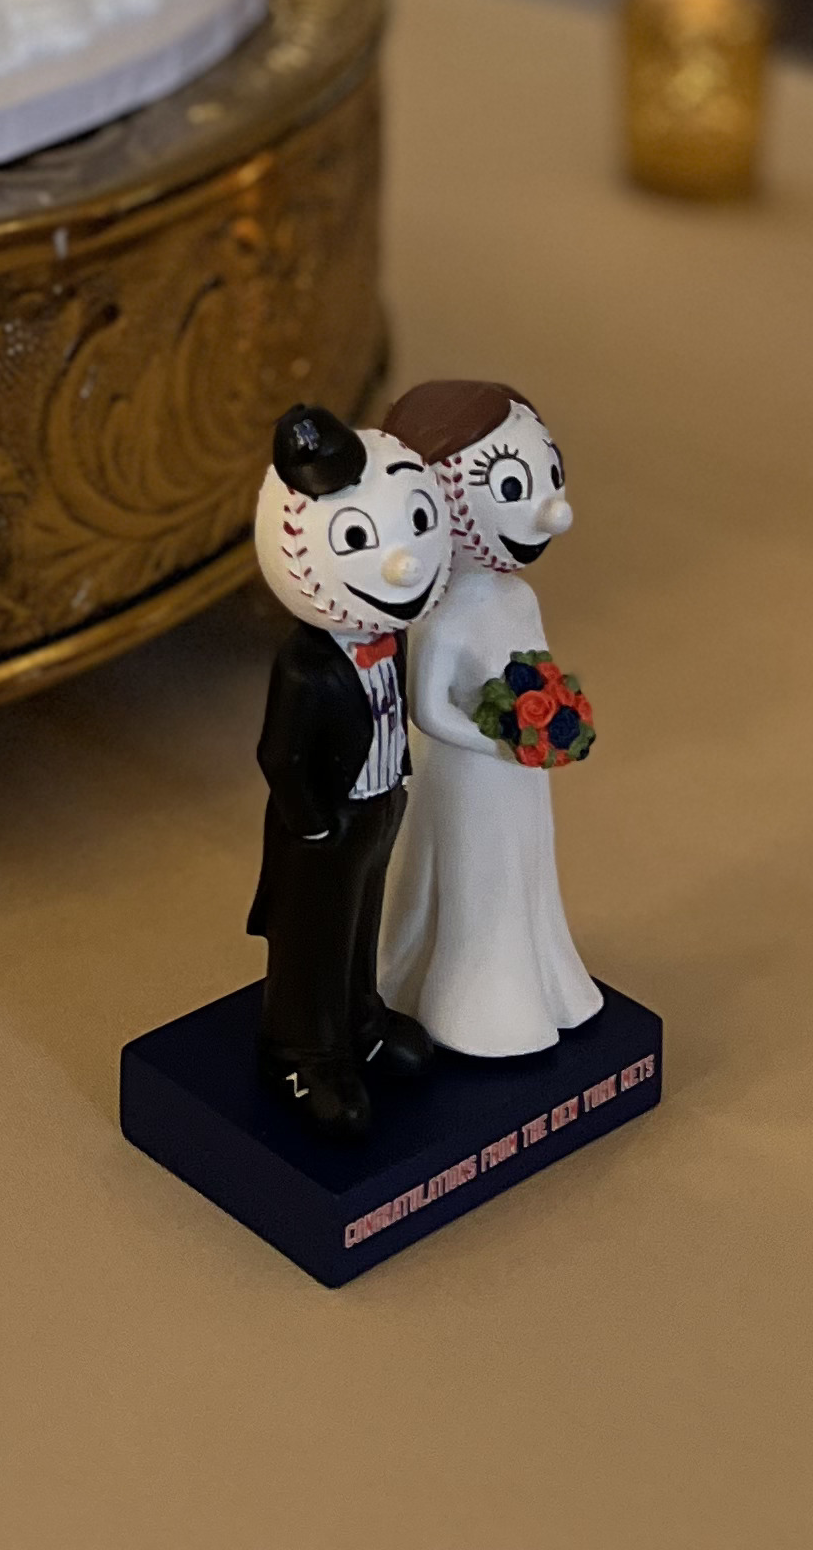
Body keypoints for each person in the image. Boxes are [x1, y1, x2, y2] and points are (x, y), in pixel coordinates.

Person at [376, 377, 602, 1058]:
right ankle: (472, 1002)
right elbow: (427, 710)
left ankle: (543, 977)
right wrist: (498, 739)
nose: (554, 510)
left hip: (519, 773)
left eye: (550, 476)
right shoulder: (442, 617)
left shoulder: (519, 600)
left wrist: (552, 721)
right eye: (513, 486)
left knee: (528, 867)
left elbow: (539, 671)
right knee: (479, 879)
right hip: (469, 777)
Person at [248, 403, 453, 1136]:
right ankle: (302, 1052)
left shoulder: (389, 639)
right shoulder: (305, 667)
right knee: (313, 939)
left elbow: (391, 715)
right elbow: (279, 755)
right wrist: (313, 827)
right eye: (362, 539)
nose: (403, 563)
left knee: (363, 920)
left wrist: (394, 788)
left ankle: (359, 1018)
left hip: (379, 804)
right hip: (325, 825)